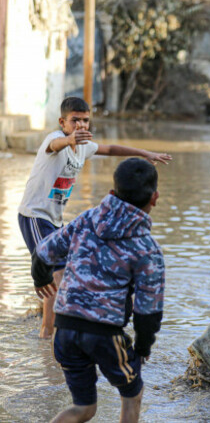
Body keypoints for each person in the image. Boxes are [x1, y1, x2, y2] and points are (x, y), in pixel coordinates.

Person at [17, 97, 172, 339]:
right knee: (56, 274)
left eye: (85, 120)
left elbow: (110, 149)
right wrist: (68, 140)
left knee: (63, 272)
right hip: (35, 215)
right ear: (62, 122)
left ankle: (49, 322)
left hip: (54, 218)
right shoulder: (54, 138)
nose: (81, 125)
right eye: (74, 120)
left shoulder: (85, 146)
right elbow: (55, 145)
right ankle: (48, 332)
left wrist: (145, 153)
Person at [31, 158, 165, 423]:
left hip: (65, 331)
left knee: (84, 408)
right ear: (155, 198)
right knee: (132, 393)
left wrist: (40, 277)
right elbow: (148, 310)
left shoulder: (88, 219)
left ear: (112, 194)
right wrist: (142, 347)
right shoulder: (148, 248)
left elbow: (44, 252)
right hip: (104, 335)